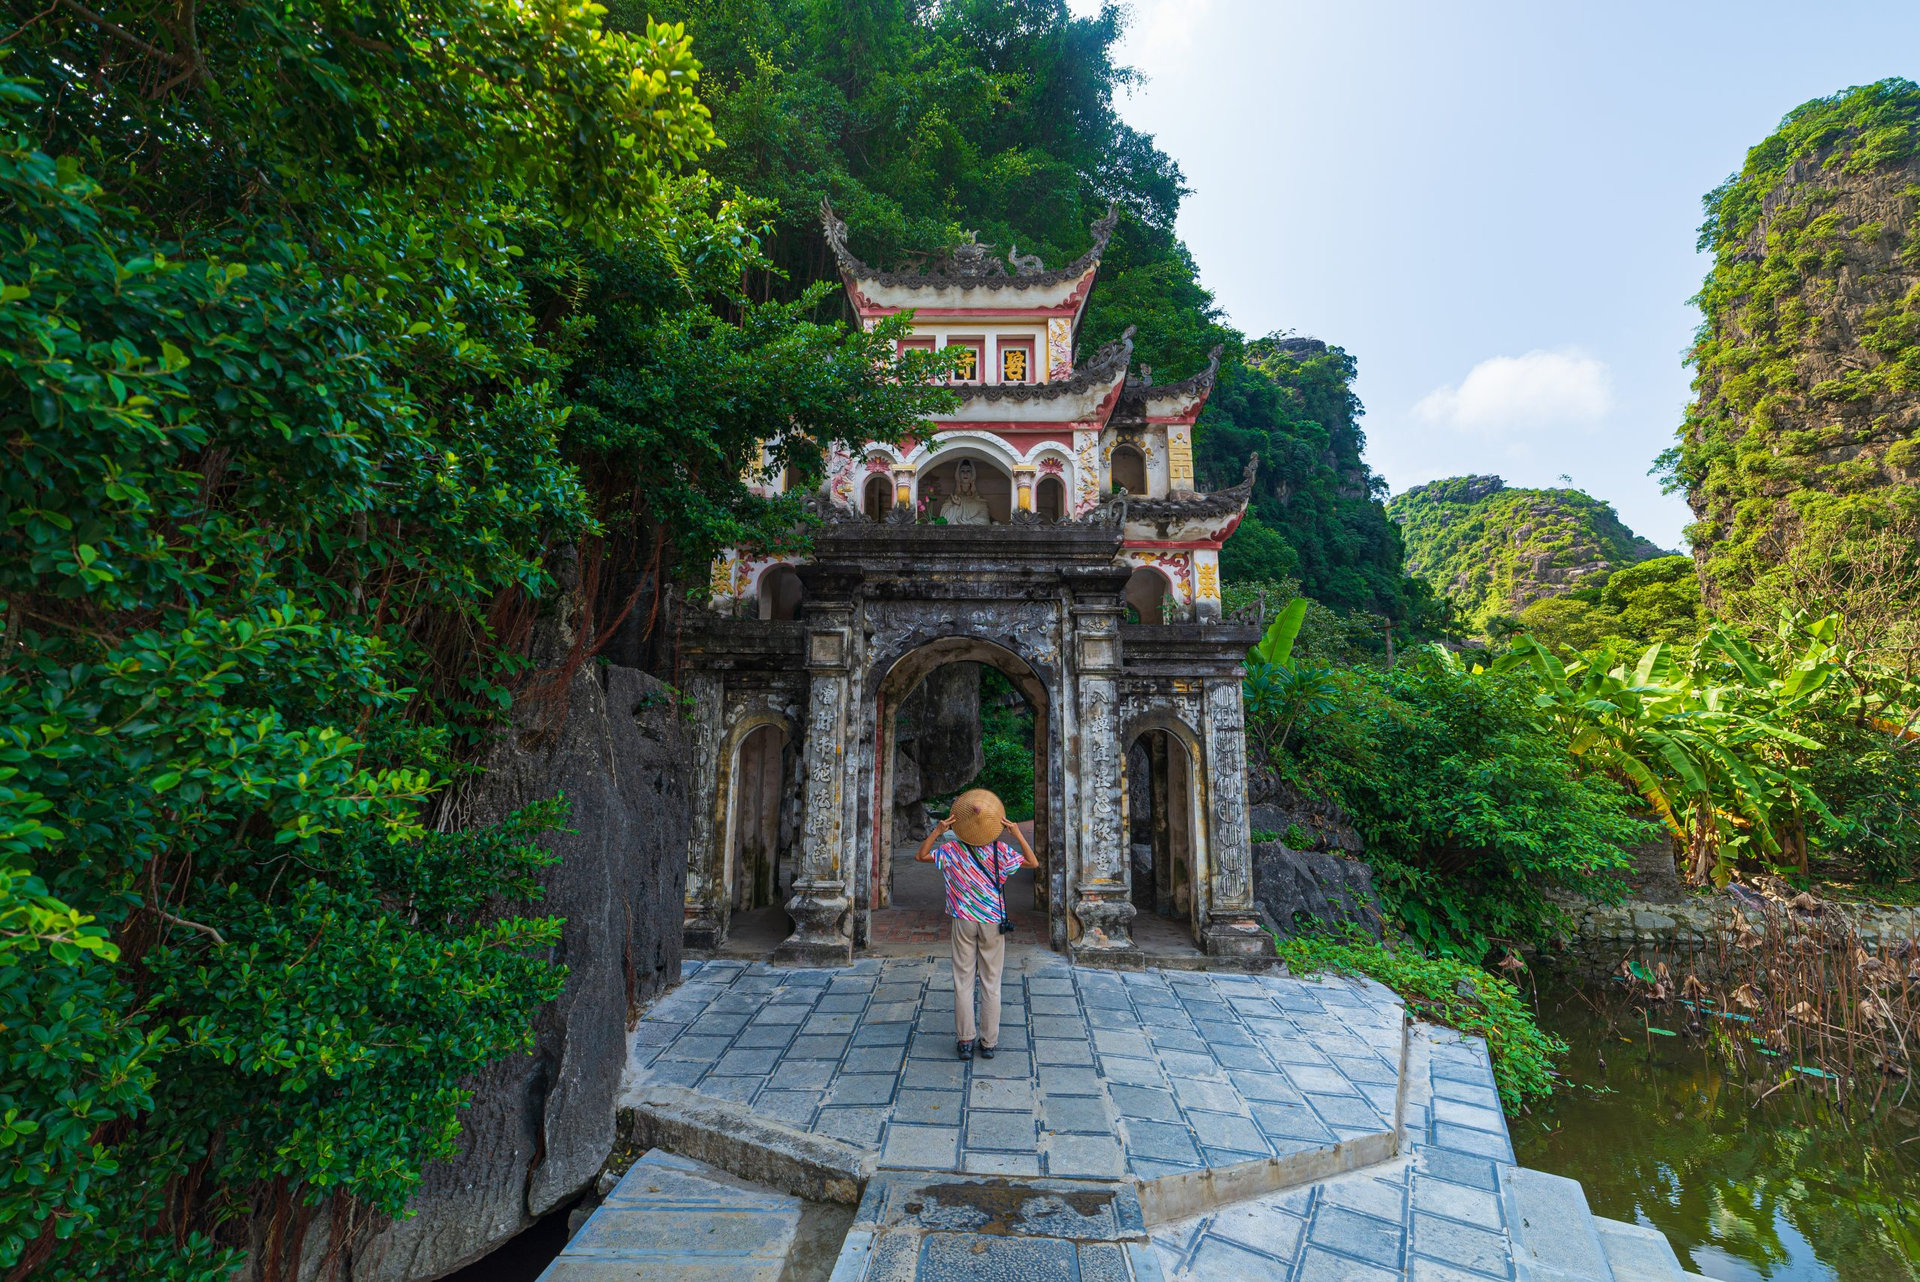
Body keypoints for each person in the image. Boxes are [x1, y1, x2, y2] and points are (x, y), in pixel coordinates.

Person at [914, 788, 1037, 1060]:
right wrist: (1016, 833)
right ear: (994, 823)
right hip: (992, 922)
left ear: (961, 822)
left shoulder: (951, 850)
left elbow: (921, 856)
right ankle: (989, 1042)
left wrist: (938, 831)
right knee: (991, 983)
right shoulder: (1000, 850)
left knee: (963, 981)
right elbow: (1033, 862)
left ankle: (965, 1041)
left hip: (963, 921)